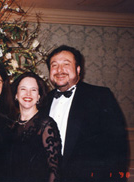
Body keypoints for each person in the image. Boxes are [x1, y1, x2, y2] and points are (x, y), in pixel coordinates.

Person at [43, 45, 129, 182]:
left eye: (66, 64)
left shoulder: (100, 96)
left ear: (78, 70)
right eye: (54, 65)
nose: (59, 70)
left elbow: (117, 148)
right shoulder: (43, 101)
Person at [11, 71, 61, 182]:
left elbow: (55, 170)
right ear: (16, 94)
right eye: (23, 89)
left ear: (38, 96)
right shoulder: (11, 123)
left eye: (33, 90)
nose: (28, 94)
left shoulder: (46, 125)